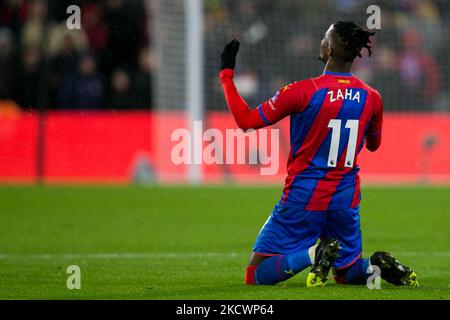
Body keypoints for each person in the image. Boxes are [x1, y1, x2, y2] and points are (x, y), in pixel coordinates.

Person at [219, 21, 418, 287]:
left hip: (304, 197)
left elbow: (246, 120)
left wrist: (226, 75)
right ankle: (376, 265)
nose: (321, 43)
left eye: (325, 38)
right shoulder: (372, 97)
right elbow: (373, 145)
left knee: (255, 275)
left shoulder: (303, 91)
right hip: (345, 200)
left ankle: (314, 253)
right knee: (347, 274)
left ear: (331, 49)